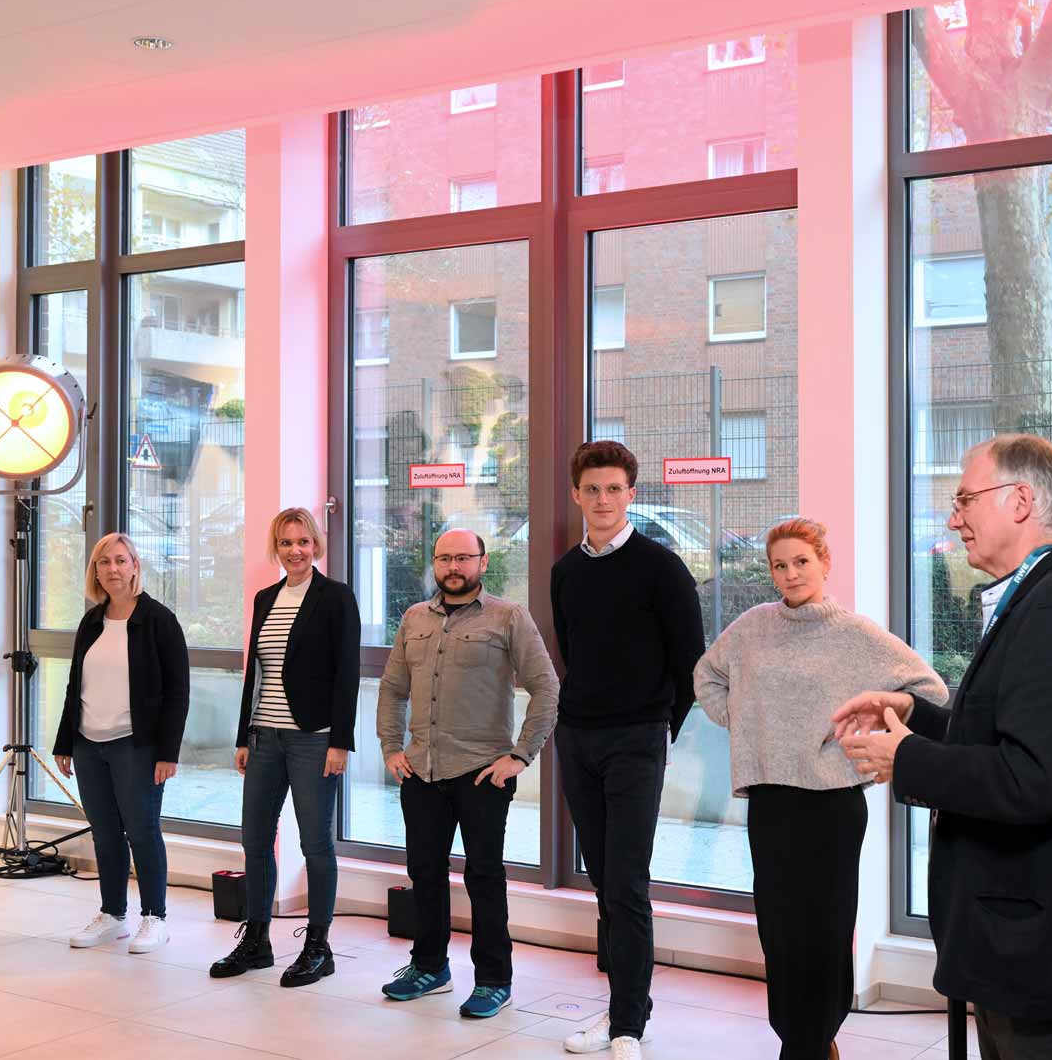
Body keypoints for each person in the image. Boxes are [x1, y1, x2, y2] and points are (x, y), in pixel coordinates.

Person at [836, 435, 1052, 1060]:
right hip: (1018, 926)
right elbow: (1008, 737)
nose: (953, 519)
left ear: (1020, 501)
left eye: (964, 500)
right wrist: (916, 716)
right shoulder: (1035, 598)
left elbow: (1030, 779)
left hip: (1037, 933)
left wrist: (906, 757)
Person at [694, 518, 947, 1060]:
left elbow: (930, 691)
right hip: (771, 801)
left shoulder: (854, 634)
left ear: (825, 563)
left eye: (801, 562)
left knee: (826, 929)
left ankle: (812, 1041)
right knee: (778, 931)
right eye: (780, 565)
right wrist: (744, 721)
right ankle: (799, 1037)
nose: (791, 574)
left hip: (832, 804)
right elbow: (706, 676)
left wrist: (874, 732)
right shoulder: (753, 627)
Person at [552, 440, 705, 1059]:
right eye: (592, 489)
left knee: (627, 884)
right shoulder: (566, 571)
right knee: (603, 880)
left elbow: (691, 662)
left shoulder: (662, 568)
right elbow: (571, 651)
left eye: (614, 489)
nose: (603, 499)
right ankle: (622, 1007)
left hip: (637, 739)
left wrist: (660, 728)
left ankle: (627, 1027)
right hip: (577, 737)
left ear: (631, 494)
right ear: (576, 495)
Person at [376, 527, 559, 1018]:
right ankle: (429, 967)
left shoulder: (509, 617)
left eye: (463, 558)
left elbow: (546, 687)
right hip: (421, 770)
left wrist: (521, 755)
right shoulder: (414, 617)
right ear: (434, 563)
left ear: (483, 562)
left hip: (482, 773)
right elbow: (392, 688)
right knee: (424, 873)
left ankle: (494, 980)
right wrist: (391, 748)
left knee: (484, 877)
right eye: (444, 558)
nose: (453, 567)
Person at [209, 507, 360, 987]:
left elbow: (347, 674)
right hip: (264, 737)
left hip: (313, 739)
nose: (295, 551)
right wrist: (243, 735)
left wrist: (340, 742)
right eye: (286, 543)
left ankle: (318, 947)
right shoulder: (266, 598)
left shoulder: (335, 598)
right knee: (254, 840)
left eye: (302, 542)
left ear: (316, 545)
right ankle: (257, 942)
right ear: (275, 548)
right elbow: (254, 672)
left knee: (315, 843)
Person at [53, 532, 189, 955]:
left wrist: (167, 752)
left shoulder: (159, 620)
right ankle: (113, 915)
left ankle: (155, 918)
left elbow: (178, 692)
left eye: (120, 560)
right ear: (95, 571)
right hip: (89, 744)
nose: (112, 569)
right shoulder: (91, 622)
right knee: (105, 833)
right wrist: (64, 742)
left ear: (135, 567)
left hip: (136, 745)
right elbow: (75, 685)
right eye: (104, 562)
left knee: (142, 831)